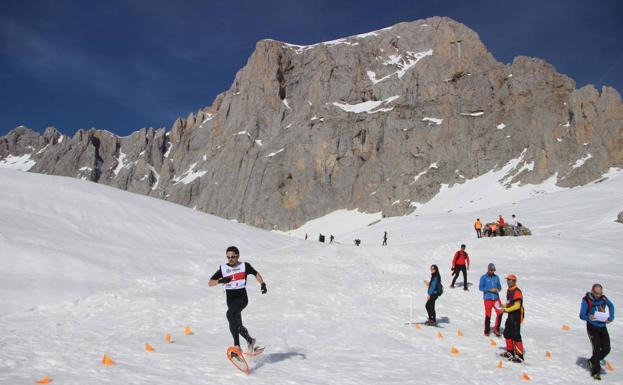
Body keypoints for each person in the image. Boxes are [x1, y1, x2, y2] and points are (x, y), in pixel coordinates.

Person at [209, 246, 267, 355]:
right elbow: (210, 283)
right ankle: (250, 341)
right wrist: (221, 281)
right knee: (237, 325)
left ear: (238, 256)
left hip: (242, 299)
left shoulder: (244, 266)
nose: (230, 259)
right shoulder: (223, 269)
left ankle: (237, 346)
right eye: (228, 257)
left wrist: (262, 284)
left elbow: (255, 273)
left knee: (229, 314)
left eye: (233, 257)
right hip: (230, 300)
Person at [579, 283, 615, 380]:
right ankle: (596, 372)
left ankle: (592, 361)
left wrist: (611, 318)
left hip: (602, 326)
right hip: (592, 327)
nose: (598, 295)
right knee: (596, 349)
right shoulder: (586, 300)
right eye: (596, 293)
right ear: (592, 291)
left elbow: (611, 306)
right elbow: (582, 315)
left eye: (600, 293)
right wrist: (589, 317)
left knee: (607, 349)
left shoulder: (603, 298)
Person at [501, 274, 524, 362]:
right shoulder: (509, 290)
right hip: (510, 315)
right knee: (507, 332)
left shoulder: (517, 291)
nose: (508, 282)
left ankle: (519, 356)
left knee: (516, 335)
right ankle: (510, 352)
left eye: (510, 280)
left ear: (514, 281)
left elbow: (517, 305)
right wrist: (503, 305)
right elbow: (510, 302)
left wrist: (507, 310)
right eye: (507, 280)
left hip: (516, 315)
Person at [479, 263, 503, 336]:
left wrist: (497, 289)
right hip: (488, 299)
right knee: (488, 315)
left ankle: (497, 329)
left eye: (494, 270)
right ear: (488, 269)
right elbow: (480, 288)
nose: (493, 271)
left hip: (496, 299)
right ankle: (487, 331)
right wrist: (489, 290)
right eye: (491, 270)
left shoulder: (496, 277)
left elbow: (499, 287)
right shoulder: (483, 277)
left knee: (500, 312)